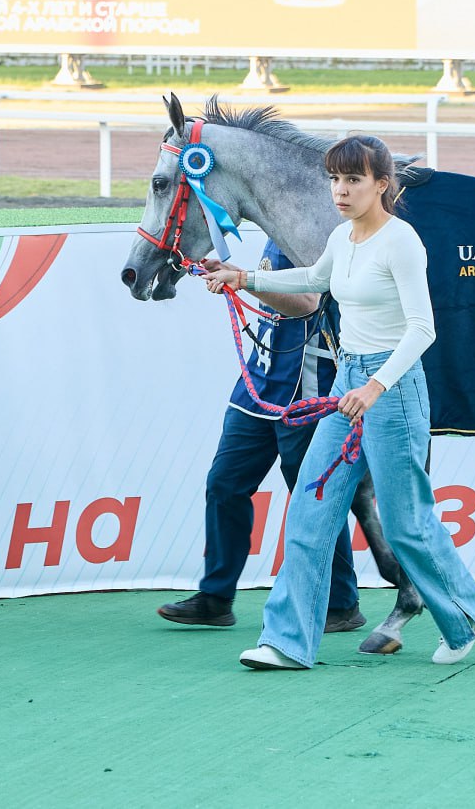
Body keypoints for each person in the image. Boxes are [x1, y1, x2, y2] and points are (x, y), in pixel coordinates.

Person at [203, 134, 475, 670]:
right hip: (348, 387)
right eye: (335, 179)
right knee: (310, 507)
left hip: (393, 390)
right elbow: (314, 280)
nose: (340, 189)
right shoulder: (343, 237)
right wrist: (244, 278)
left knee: (406, 524)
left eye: (353, 179)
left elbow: (423, 328)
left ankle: (463, 615)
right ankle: (285, 642)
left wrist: (375, 385)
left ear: (382, 185)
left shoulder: (402, 241)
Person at [157, 240, 366, 635]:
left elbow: (304, 303)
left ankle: (341, 602)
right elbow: (273, 282)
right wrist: (228, 271)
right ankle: (216, 598)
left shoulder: (322, 231)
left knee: (311, 496)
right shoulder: (281, 225)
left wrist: (240, 281)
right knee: (224, 485)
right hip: (260, 381)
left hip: (305, 389)